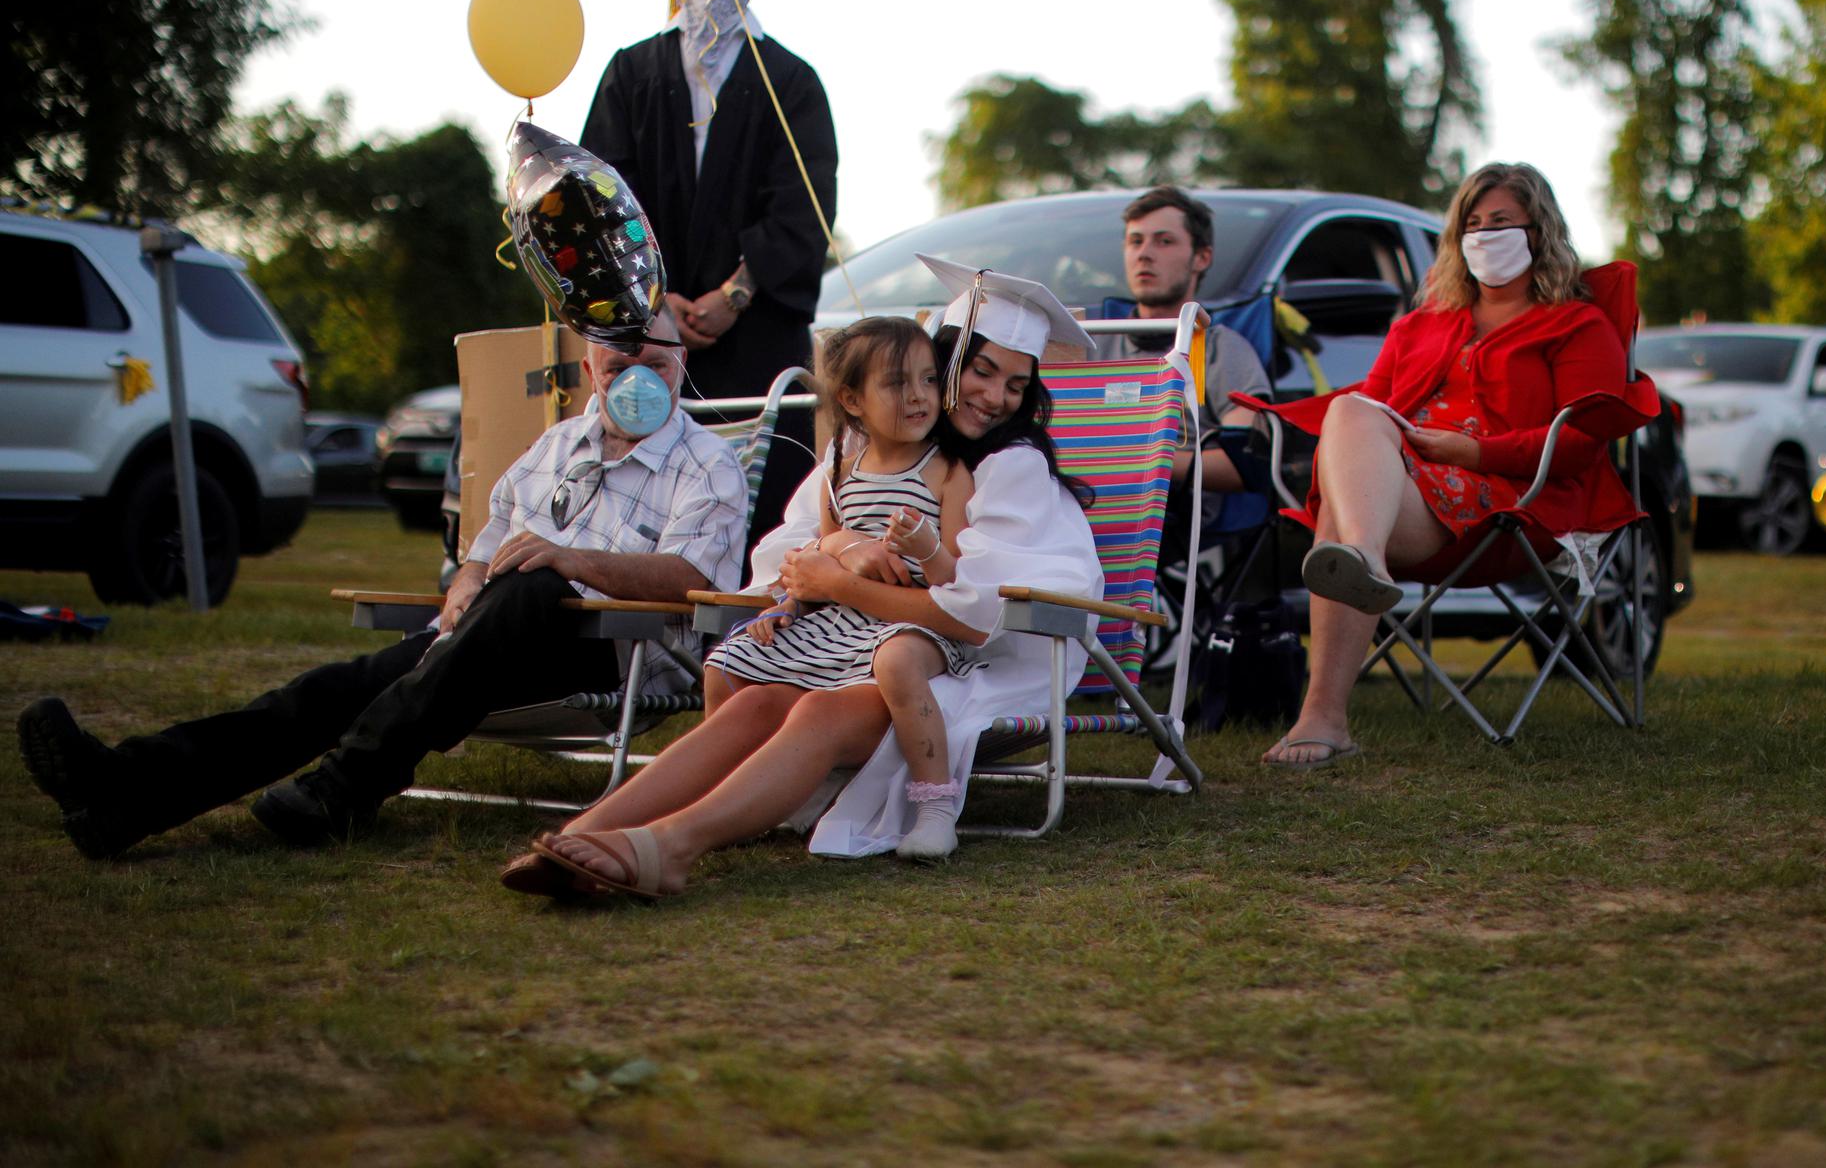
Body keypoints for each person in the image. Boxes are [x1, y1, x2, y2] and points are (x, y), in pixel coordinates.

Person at [17, 314, 750, 856]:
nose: (638, 379)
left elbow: (693, 578)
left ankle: (353, 778)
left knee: (528, 589)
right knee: (336, 688)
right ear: (591, 365)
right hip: (488, 640)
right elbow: (488, 544)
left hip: (611, 646)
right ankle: (121, 792)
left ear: (682, 367)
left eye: (656, 362)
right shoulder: (556, 445)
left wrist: (573, 561)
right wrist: (465, 580)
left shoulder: (708, 463)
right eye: (622, 361)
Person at [500, 259, 1103, 899]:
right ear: (944, 362)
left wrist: (839, 578)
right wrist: (842, 544)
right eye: (980, 371)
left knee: (814, 708)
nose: (994, 396)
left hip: (969, 666)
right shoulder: (878, 447)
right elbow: (793, 546)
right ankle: (590, 829)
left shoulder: (1010, 466)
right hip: (860, 643)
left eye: (1016, 384)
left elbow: (973, 614)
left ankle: (669, 848)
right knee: (758, 698)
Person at [1260, 162, 1645, 768]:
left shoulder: (1577, 324)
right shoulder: (1419, 325)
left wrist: (1473, 452)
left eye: (1501, 222)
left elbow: (1580, 444)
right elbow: (1374, 413)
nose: (1484, 235)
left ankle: (1324, 713)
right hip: (1409, 492)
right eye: (1473, 223)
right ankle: (1363, 562)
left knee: (1341, 514)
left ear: (1537, 233)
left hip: (1513, 505)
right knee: (1353, 410)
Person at [579, 0, 835, 550]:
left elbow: (803, 208)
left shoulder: (791, 81)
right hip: (643, 334)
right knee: (639, 508)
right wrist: (654, 302)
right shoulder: (632, 71)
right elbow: (599, 201)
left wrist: (734, 296)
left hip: (752, 342)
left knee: (763, 517)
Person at [705, 316, 978, 859]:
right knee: (726, 660)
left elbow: (956, 581)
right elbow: (824, 567)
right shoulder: (838, 473)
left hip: (914, 622)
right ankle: (740, 787)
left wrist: (925, 548)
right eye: (898, 384)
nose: (919, 396)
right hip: (841, 622)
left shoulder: (946, 471)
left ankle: (935, 804)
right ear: (852, 400)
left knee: (897, 662)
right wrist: (788, 607)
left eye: (928, 380)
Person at [1096, 186, 1271, 525]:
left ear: (1201, 258)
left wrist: (1139, 459)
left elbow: (1244, 464)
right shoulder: (1093, 343)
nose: (1145, 254)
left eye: (1164, 241)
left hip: (1168, 513)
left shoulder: (1222, 350)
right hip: (1081, 499)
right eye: (1135, 241)